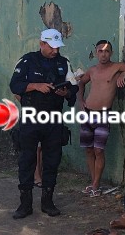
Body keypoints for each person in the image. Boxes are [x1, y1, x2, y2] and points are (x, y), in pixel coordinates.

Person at [9, 28, 76, 219]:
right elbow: (15, 85)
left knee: (52, 160)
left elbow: (73, 86)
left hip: (53, 118)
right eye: (52, 47)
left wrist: (66, 93)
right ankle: (25, 204)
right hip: (31, 117)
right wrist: (35, 86)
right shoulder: (28, 61)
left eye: (58, 47)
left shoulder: (63, 63)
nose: (55, 51)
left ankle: (48, 202)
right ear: (42, 44)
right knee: (27, 160)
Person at [76, 40, 125, 195]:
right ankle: (94, 184)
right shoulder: (92, 70)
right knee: (89, 150)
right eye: (100, 51)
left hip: (104, 114)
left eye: (106, 51)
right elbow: (81, 83)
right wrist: (81, 100)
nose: (103, 54)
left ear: (111, 53)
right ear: (96, 53)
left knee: (99, 150)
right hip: (88, 113)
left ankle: (95, 185)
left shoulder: (116, 67)